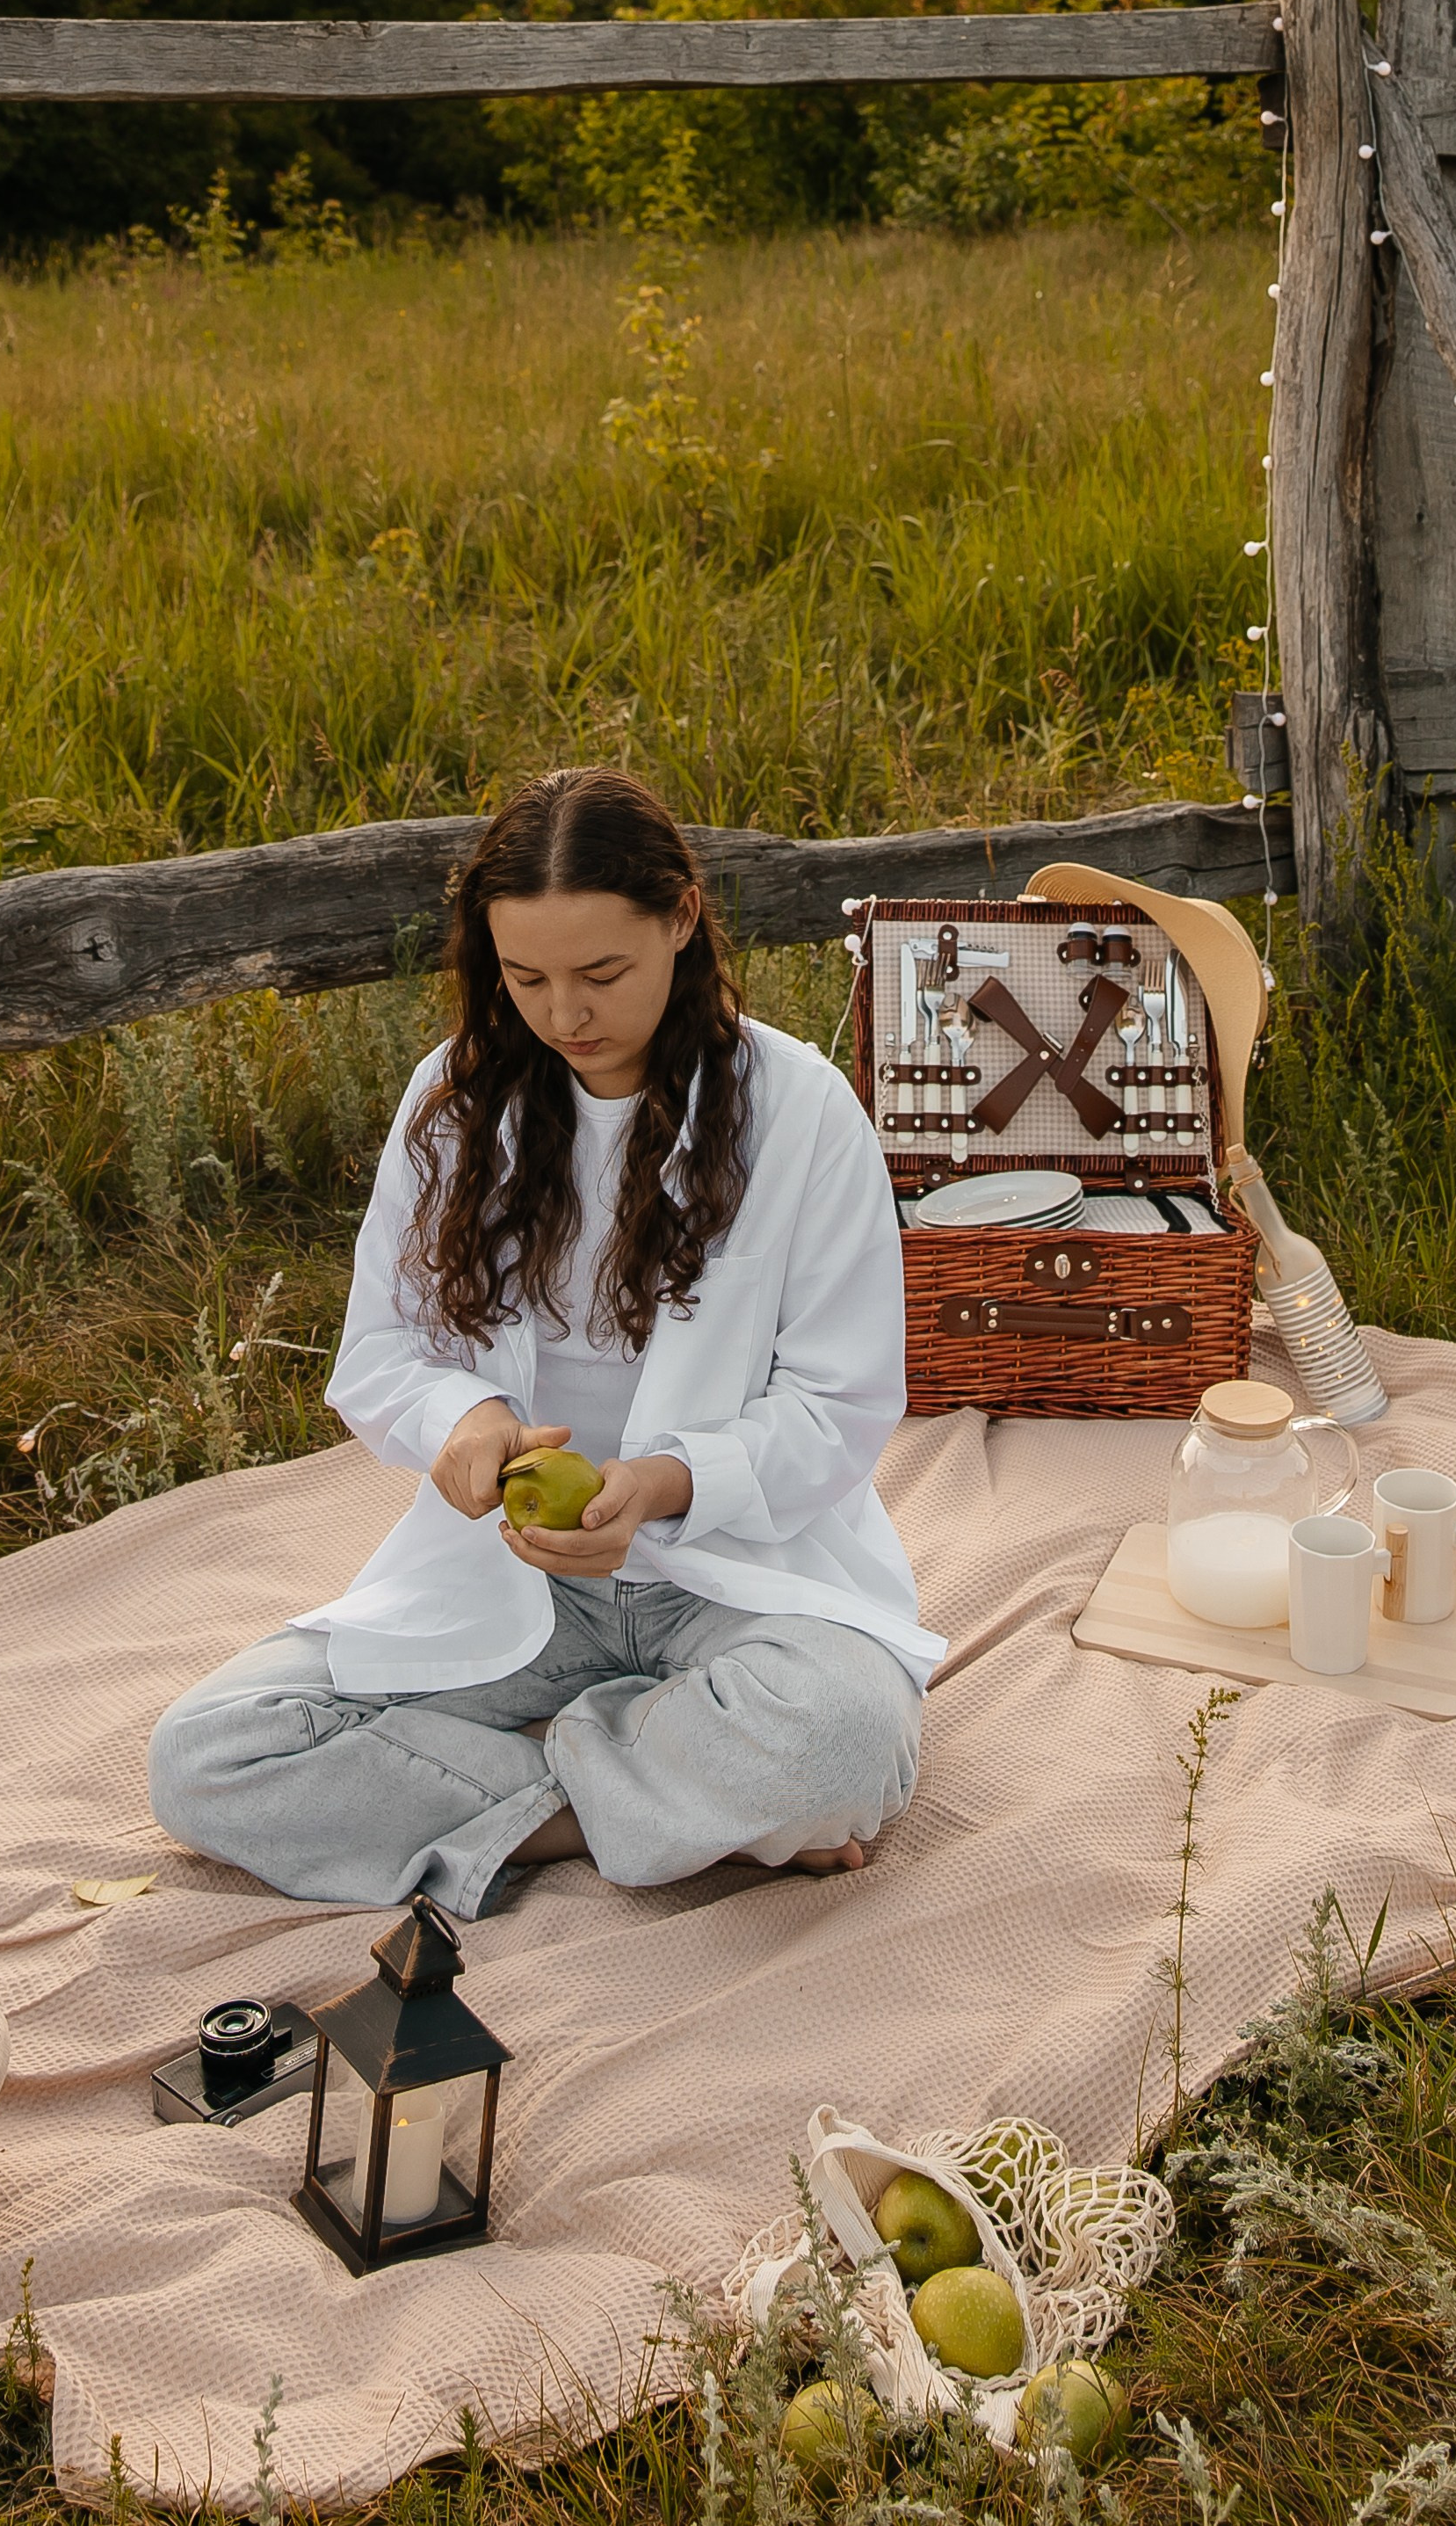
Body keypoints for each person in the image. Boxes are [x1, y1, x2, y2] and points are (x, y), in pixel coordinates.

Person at [148, 766, 940, 1917]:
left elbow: (840, 1402)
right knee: (208, 1752)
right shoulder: (455, 1102)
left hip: (731, 1567)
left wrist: (659, 1484)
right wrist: (462, 1422)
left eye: (602, 973)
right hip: (519, 1570)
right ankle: (638, 1808)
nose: (565, 1014)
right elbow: (380, 1354)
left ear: (680, 918)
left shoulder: (801, 1107)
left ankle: (546, 1799)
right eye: (526, 977)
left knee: (846, 1741)